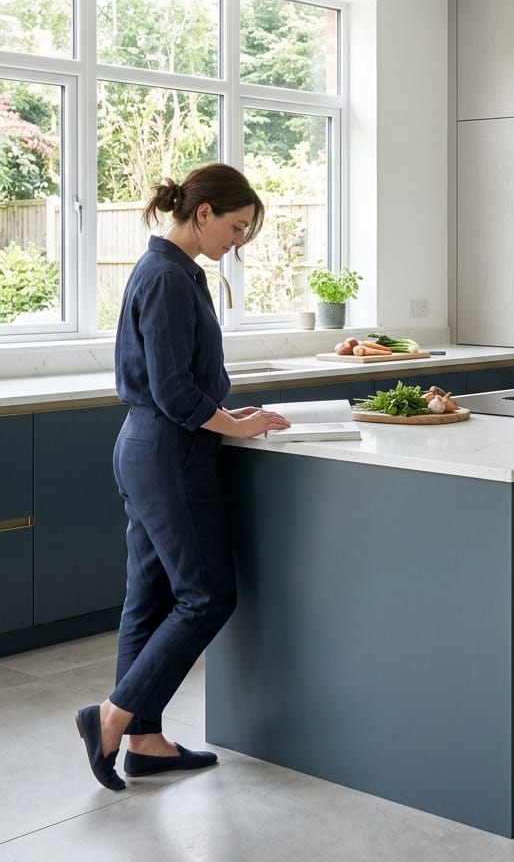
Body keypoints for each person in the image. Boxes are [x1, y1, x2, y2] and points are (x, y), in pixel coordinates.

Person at [75, 163, 291, 791]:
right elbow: (173, 389)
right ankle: (111, 717)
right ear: (202, 214)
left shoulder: (168, 271)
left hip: (151, 447)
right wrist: (231, 425)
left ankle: (144, 740)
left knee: (149, 598)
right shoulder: (169, 277)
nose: (238, 240)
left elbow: (179, 383)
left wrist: (230, 415)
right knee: (206, 596)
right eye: (236, 226)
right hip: (170, 452)